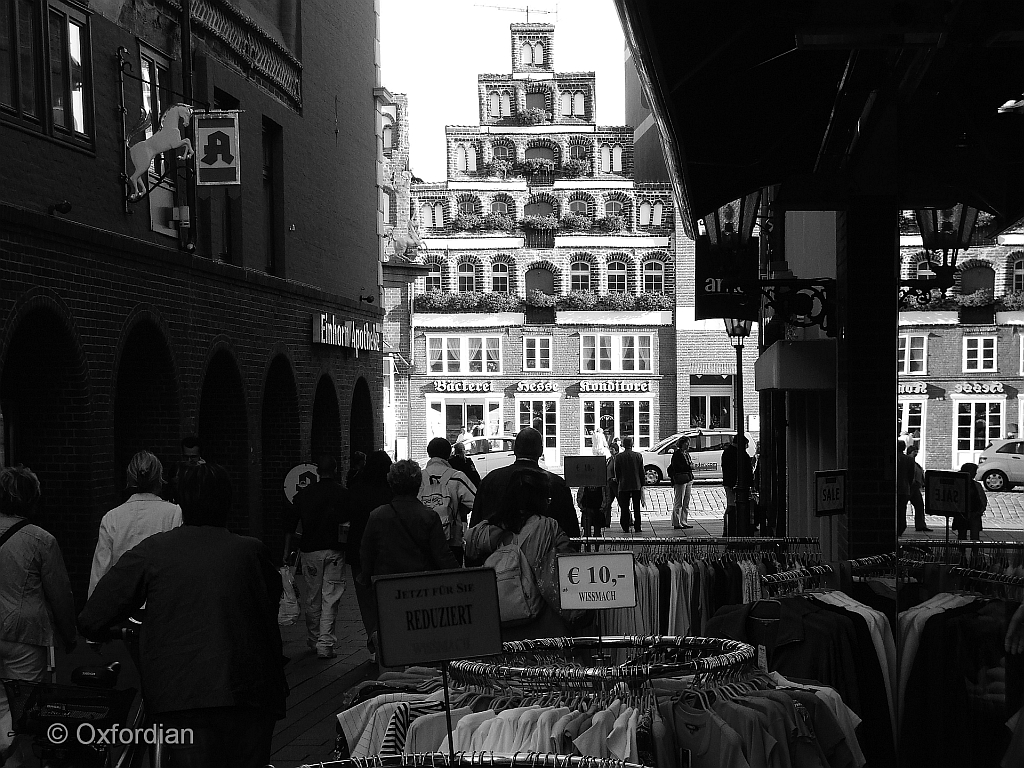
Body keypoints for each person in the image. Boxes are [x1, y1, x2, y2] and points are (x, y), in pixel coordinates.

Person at [79, 463, 287, 768]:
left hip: (180, 694)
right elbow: (269, 604)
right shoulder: (252, 553)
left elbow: (93, 616)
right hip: (249, 694)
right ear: (228, 503)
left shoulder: (153, 552)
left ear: (181, 503)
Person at [0, 466, 77, 768]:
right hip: (25, 635)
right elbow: (60, 594)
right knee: (20, 709)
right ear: (33, 499)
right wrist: (69, 634)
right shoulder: (41, 540)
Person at [465, 467, 573, 641]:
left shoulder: (486, 530)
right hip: (540, 624)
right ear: (540, 499)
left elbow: (469, 552)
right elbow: (567, 566)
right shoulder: (548, 527)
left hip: (496, 620)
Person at [359, 461, 460, 639]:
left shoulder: (377, 516)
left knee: (392, 633)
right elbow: (442, 556)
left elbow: (366, 553)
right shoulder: (429, 516)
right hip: (421, 588)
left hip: (387, 587)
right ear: (418, 485)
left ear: (391, 484)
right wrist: (461, 580)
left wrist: (366, 578)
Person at [89, 450, 182, 596]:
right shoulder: (174, 513)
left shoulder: (112, 518)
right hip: (160, 603)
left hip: (122, 604)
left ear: (130, 479)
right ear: (159, 478)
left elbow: (100, 573)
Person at [284, 454, 350, 659]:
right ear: (336, 469)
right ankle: (325, 643)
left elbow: (290, 524)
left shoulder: (304, 495)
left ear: (317, 472)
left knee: (313, 595)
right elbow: (348, 523)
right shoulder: (343, 494)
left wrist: (286, 551)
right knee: (331, 596)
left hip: (310, 550)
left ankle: (314, 639)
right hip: (335, 550)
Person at [469, 428, 581, 540]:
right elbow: (570, 533)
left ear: (514, 449)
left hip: (495, 552)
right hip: (544, 552)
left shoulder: (490, 480)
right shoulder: (556, 484)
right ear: (541, 451)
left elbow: (475, 526)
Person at [346, 450, 393, 661]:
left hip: (359, 552)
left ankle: (374, 637)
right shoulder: (391, 492)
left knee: (366, 600)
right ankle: (389, 638)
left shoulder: (356, 490)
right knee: (388, 597)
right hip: (387, 552)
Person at [419, 437, 476, 565]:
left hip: (422, 542)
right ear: (449, 454)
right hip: (452, 542)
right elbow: (476, 502)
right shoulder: (457, 477)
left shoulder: (418, 477)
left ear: (428, 453)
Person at [613, 436, 646, 533]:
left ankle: (625, 526)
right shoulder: (638, 456)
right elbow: (641, 472)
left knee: (624, 507)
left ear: (623, 445)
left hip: (623, 485)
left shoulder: (619, 457)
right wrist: (642, 483)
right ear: (632, 445)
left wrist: (619, 481)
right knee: (636, 507)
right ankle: (638, 526)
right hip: (636, 484)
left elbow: (617, 472)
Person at [721, 435, 753, 535]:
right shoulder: (739, 454)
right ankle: (733, 528)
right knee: (733, 506)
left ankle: (728, 528)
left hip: (729, 483)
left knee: (731, 505)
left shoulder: (727, 452)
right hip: (734, 484)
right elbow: (746, 469)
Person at [167, 434, 204, 503]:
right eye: (186, 457)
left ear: (200, 455)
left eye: (193, 457)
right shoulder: (176, 469)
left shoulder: (205, 471)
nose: (189, 460)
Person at [954, 462, 987, 540]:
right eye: (974, 471)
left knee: (974, 536)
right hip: (962, 514)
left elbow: (982, 499)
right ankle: (962, 551)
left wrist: (980, 510)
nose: (975, 473)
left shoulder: (976, 485)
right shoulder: (958, 484)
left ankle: (974, 551)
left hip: (974, 513)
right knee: (962, 535)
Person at [669, 436, 695, 529]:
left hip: (688, 478)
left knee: (686, 501)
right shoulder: (677, 454)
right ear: (682, 444)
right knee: (678, 501)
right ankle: (677, 522)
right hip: (680, 479)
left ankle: (684, 521)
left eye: (688, 443)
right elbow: (677, 467)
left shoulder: (686, 454)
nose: (688, 445)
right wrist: (689, 467)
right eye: (686, 443)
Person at [907, 446, 930, 533]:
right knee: (903, 506)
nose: (916, 453)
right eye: (914, 451)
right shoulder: (908, 461)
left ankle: (921, 525)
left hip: (916, 487)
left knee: (919, 505)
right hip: (910, 486)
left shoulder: (915, 463)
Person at [895, 439, 916, 535]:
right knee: (902, 510)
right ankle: (901, 526)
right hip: (904, 488)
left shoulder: (894, 458)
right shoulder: (909, 459)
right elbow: (911, 475)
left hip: (895, 488)